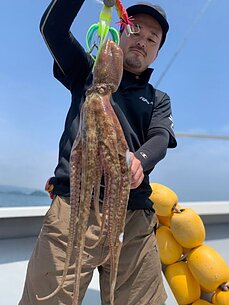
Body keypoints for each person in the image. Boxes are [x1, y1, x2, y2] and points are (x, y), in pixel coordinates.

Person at [19, 1, 177, 305]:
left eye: (152, 38)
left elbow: (161, 136)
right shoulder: (86, 73)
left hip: (133, 215)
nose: (142, 40)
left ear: (157, 51)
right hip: (75, 207)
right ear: (118, 32)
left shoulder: (158, 99)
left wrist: (140, 161)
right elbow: (52, 29)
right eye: (135, 30)